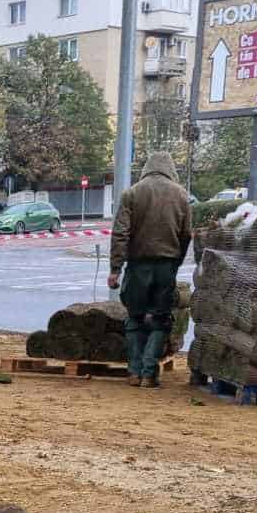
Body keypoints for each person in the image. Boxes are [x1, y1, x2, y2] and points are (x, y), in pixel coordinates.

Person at [108, 150, 194, 388]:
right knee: (160, 319)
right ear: (170, 169)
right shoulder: (181, 195)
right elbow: (187, 234)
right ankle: (149, 373)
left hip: (137, 266)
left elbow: (120, 234)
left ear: (147, 168)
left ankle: (134, 372)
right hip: (166, 265)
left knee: (135, 318)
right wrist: (176, 261)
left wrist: (115, 268)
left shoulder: (132, 194)